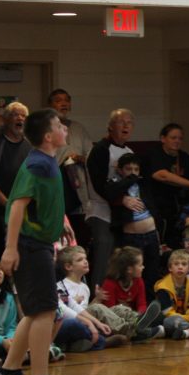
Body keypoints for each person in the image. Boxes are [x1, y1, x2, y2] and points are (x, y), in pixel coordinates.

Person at [0, 108, 77, 375]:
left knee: (35, 310)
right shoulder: (38, 164)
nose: (65, 128)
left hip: (38, 243)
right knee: (46, 312)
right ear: (49, 136)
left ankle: (9, 370)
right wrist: (10, 247)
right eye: (60, 125)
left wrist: (58, 223)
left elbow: (43, 202)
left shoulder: (47, 161)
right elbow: (18, 205)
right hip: (30, 247)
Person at [84, 108, 135, 290]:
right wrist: (120, 199)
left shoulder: (129, 151)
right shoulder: (100, 149)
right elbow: (98, 185)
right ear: (110, 126)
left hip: (121, 214)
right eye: (121, 122)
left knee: (119, 259)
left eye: (129, 123)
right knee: (103, 258)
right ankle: (97, 299)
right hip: (101, 210)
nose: (126, 126)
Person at [106, 153, 162, 298]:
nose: (133, 173)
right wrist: (129, 180)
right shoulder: (115, 184)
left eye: (136, 170)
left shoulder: (144, 184)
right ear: (120, 170)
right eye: (128, 169)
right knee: (130, 271)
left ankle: (150, 304)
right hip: (131, 237)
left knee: (152, 271)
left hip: (151, 233)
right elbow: (110, 193)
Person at [0, 102, 31, 259]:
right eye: (15, 115)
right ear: (5, 120)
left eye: (23, 116)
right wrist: (10, 206)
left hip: (26, 214)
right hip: (1, 213)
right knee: (0, 257)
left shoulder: (31, 147)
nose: (20, 118)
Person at [48, 89, 93, 248]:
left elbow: (92, 157)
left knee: (79, 236)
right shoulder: (43, 129)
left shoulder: (79, 128)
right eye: (58, 100)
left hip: (77, 190)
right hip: (55, 188)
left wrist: (80, 158)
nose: (64, 103)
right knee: (58, 240)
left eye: (67, 100)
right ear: (50, 105)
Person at [145, 123, 189, 245]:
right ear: (163, 138)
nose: (177, 141)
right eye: (173, 138)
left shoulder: (185, 157)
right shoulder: (154, 154)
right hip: (158, 208)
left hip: (180, 210)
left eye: (180, 138)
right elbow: (162, 175)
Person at [98, 246, 164, 341]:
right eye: (140, 265)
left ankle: (139, 328)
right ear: (129, 269)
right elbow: (109, 310)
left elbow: (141, 304)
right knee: (120, 311)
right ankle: (139, 331)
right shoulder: (109, 283)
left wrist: (141, 315)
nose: (143, 267)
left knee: (160, 316)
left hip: (133, 316)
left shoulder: (139, 281)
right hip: (115, 320)